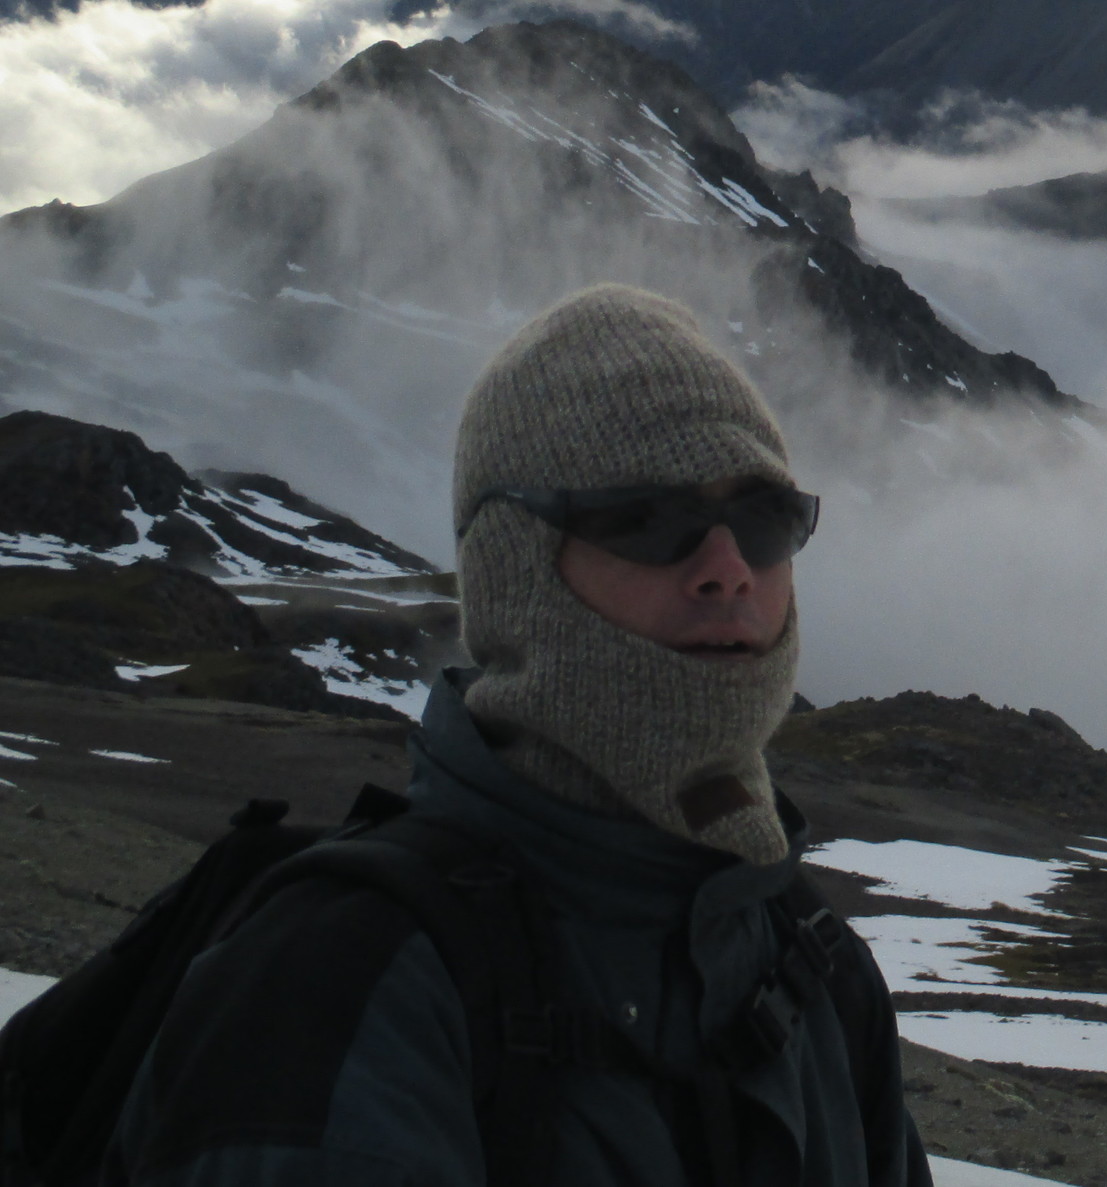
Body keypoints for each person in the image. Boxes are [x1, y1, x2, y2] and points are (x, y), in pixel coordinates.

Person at [108, 284, 930, 1187]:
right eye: (648, 519)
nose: (728, 570)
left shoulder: (821, 973)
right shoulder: (341, 983)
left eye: (765, 519)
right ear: (516, 569)